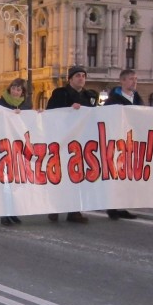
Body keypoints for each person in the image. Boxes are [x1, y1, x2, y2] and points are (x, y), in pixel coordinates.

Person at [46, 65, 97, 224]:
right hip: (63, 141)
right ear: (70, 79)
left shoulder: (90, 96)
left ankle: (74, 210)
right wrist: (69, 109)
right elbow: (51, 113)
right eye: (77, 76)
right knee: (61, 177)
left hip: (82, 143)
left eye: (83, 75)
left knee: (78, 177)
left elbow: (95, 115)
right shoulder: (60, 93)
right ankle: (54, 208)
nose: (81, 78)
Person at [102, 69, 142, 220]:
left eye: (135, 79)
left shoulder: (136, 98)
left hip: (132, 142)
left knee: (128, 176)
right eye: (131, 79)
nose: (134, 81)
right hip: (117, 143)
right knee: (116, 175)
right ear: (123, 81)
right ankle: (112, 207)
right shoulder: (113, 101)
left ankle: (123, 205)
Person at [0, 78, 31, 226]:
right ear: (9, 89)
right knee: (5, 182)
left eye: (19, 89)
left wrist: (38, 114)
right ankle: (4, 213)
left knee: (16, 181)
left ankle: (13, 212)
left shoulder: (26, 106)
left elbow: (30, 123)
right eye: (14, 88)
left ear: (22, 92)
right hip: (2, 146)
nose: (16, 91)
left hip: (18, 147)